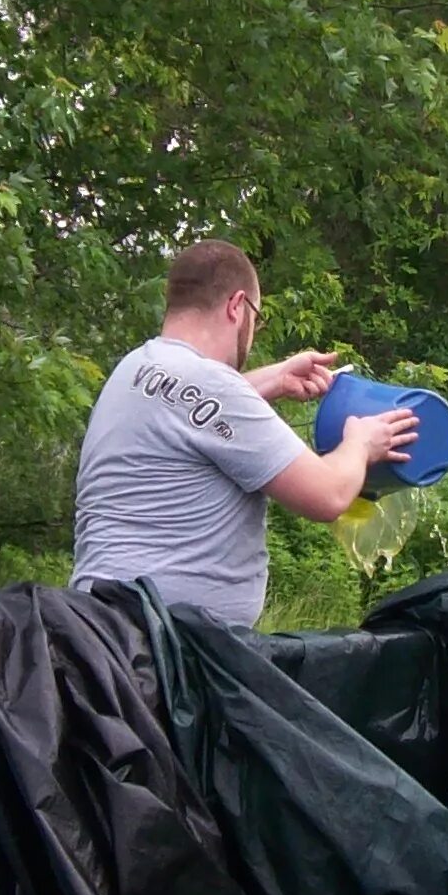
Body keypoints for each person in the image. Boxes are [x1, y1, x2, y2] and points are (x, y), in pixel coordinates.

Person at [72, 240, 417, 625]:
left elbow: (191, 410)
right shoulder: (210, 383)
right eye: (257, 318)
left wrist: (278, 376)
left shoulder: (137, 368)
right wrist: (360, 443)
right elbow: (329, 494)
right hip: (162, 655)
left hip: (100, 635)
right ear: (238, 307)